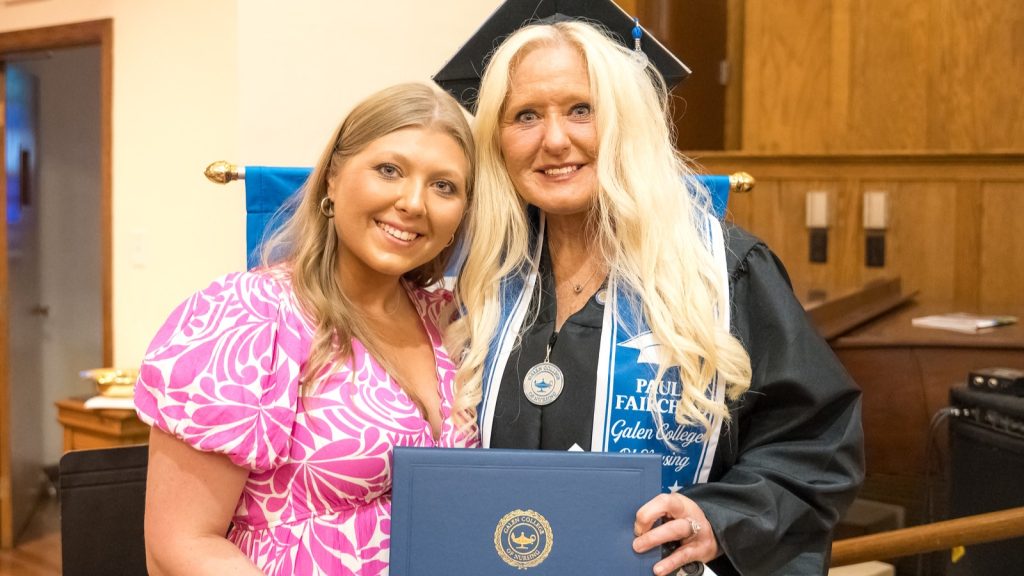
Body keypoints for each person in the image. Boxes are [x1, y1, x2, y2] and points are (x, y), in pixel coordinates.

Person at [446, 17, 864, 576]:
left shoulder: (723, 272)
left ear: (626, 123)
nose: (554, 140)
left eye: (581, 109)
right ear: (496, 139)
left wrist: (718, 517)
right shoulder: (475, 278)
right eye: (525, 116)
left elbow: (816, 442)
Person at [135, 82, 478, 576]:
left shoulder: (451, 321)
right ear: (333, 180)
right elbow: (181, 543)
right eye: (389, 170)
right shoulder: (248, 315)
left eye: (444, 185)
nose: (413, 202)